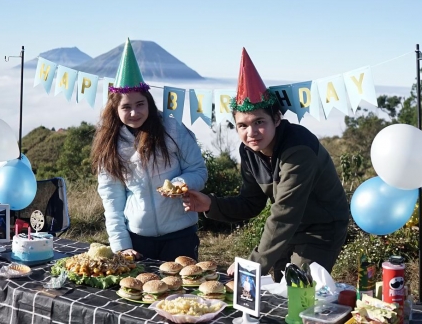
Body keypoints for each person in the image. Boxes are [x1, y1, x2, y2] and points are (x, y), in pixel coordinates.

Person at [183, 48, 350, 281]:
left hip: (321, 229)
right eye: (242, 125)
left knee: (299, 292)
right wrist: (211, 204)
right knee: (280, 287)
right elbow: (250, 203)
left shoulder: (299, 149)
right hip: (287, 231)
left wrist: (252, 265)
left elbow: (285, 211)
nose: (251, 132)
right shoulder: (250, 151)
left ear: (277, 119)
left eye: (259, 122)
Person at [92, 38, 208, 262]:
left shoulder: (172, 129)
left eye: (140, 105)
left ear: (149, 103)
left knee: (181, 294)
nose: (134, 113)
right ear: (115, 109)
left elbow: (198, 171)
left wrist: (179, 184)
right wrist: (121, 246)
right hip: (137, 240)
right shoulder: (110, 145)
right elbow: (112, 200)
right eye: (126, 107)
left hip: (181, 235)